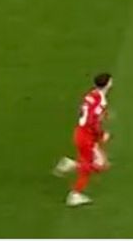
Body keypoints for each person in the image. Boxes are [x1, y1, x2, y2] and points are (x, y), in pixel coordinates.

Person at [53, 73, 112, 207]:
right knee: (99, 165)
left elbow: (86, 112)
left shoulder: (91, 95)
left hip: (79, 133)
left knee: (94, 163)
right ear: (108, 84)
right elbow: (92, 121)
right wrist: (101, 135)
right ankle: (74, 193)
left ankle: (72, 168)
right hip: (87, 137)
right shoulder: (100, 101)